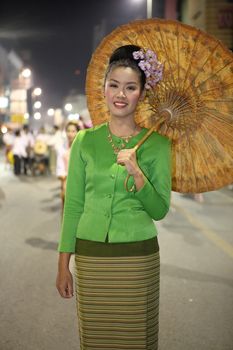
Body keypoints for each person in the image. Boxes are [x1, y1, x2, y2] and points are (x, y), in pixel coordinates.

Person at [56, 45, 172, 349]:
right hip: (92, 258)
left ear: (142, 94)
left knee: (136, 339)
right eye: (114, 85)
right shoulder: (84, 141)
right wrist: (62, 264)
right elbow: (74, 206)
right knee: (96, 340)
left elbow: (159, 210)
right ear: (104, 89)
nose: (121, 94)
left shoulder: (158, 145)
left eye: (131, 87)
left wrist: (137, 172)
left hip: (138, 259)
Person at [56, 121, 80, 211]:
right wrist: (64, 182)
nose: (70, 134)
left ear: (78, 132)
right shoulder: (61, 148)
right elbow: (60, 168)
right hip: (67, 182)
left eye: (73, 131)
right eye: (68, 131)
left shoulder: (83, 147)